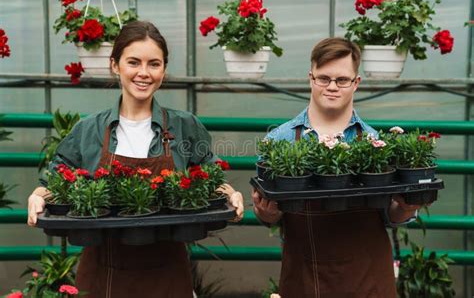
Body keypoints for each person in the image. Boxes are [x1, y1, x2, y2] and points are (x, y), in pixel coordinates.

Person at [27, 20, 244, 298]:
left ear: (164, 70)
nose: (144, 73)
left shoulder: (183, 125)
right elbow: (57, 175)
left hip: (168, 274)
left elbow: (210, 173)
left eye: (154, 64)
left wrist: (231, 194)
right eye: (133, 62)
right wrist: (37, 196)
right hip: (103, 274)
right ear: (115, 65)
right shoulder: (90, 129)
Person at [252, 38, 423, 297]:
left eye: (342, 80)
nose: (332, 87)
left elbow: (391, 215)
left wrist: (407, 206)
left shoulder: (375, 142)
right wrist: (266, 213)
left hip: (367, 279)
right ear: (311, 78)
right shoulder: (280, 140)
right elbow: (270, 213)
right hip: (305, 277)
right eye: (324, 78)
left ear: (356, 83)